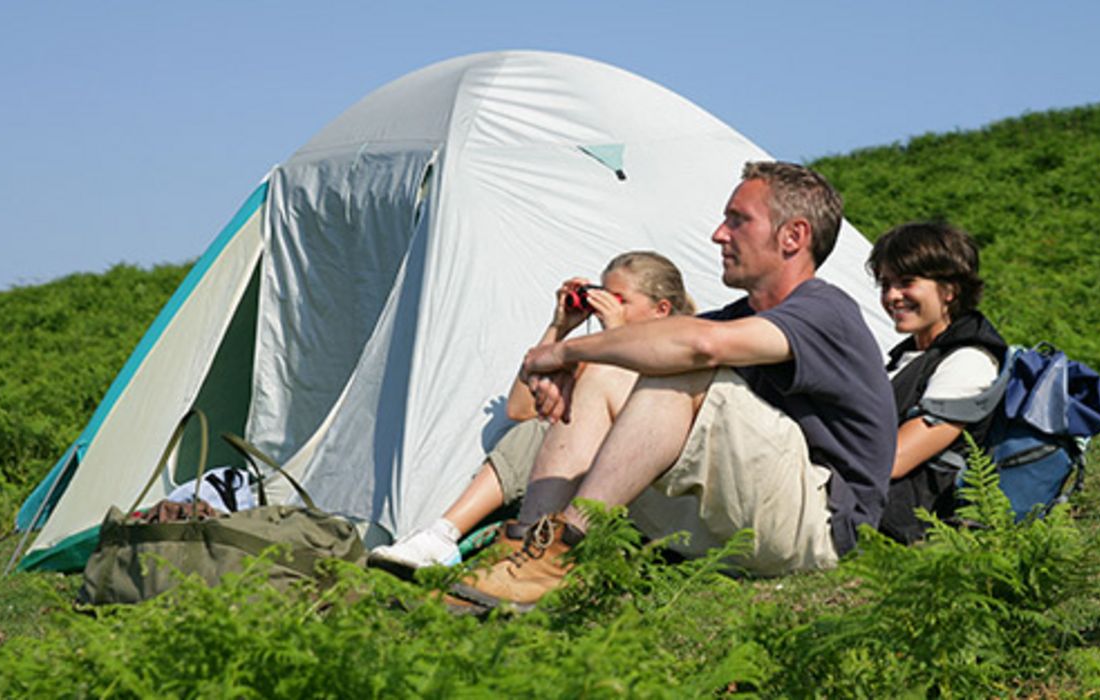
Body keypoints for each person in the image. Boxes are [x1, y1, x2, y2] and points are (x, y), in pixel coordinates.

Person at [450, 161, 897, 610]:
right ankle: (528, 548)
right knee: (615, 371)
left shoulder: (826, 310)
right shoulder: (735, 317)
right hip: (745, 522)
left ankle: (565, 548)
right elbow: (539, 402)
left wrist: (567, 354)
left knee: (680, 362)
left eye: (737, 220)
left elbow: (700, 347)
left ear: (793, 236)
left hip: (820, 524)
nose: (719, 235)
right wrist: (570, 355)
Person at [368, 252, 696, 575]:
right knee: (537, 429)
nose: (605, 307)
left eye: (620, 300)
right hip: (589, 490)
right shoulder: (595, 353)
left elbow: (650, 425)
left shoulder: (683, 346)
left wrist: (616, 333)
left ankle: (500, 545)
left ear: (660, 310)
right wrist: (560, 327)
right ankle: (444, 534)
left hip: (650, 490)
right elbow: (521, 409)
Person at [867, 222, 1008, 544]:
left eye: (907, 283)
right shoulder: (909, 357)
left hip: (904, 519)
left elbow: (895, 459)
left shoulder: (968, 361)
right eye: (885, 284)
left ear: (949, 289)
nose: (892, 296)